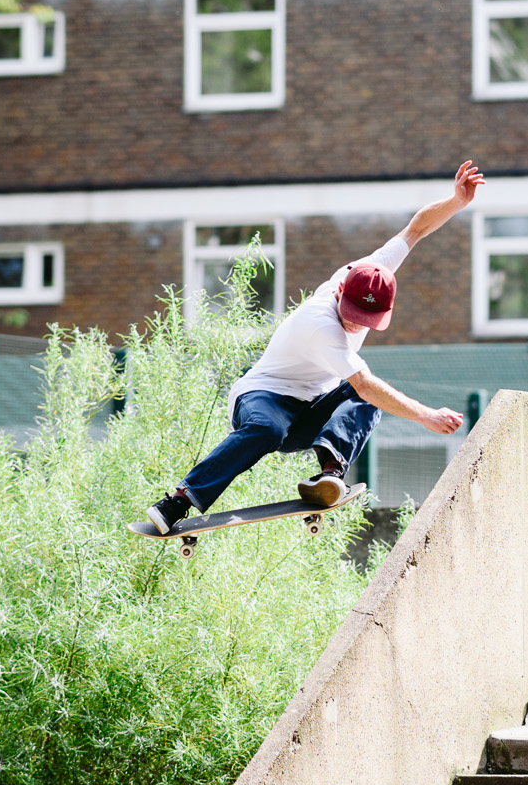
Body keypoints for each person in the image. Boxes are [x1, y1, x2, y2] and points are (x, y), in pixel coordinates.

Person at [145, 161, 481, 533]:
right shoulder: (320, 324)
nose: (356, 325)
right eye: (352, 315)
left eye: (366, 321)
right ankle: (178, 500)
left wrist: (456, 202)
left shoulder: (374, 272)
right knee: (276, 426)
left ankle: (329, 476)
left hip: (311, 408)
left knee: (367, 398)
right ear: (340, 291)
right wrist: (425, 415)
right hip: (264, 397)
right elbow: (365, 385)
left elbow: (415, 228)